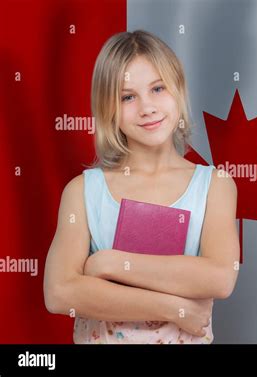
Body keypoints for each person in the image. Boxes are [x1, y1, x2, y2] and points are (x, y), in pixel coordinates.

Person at [43, 30, 240, 344]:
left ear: (178, 89)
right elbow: (59, 292)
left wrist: (109, 264)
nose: (147, 107)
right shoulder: (82, 192)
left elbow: (220, 277)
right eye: (127, 97)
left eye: (158, 88)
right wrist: (174, 307)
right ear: (108, 108)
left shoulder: (214, 185)